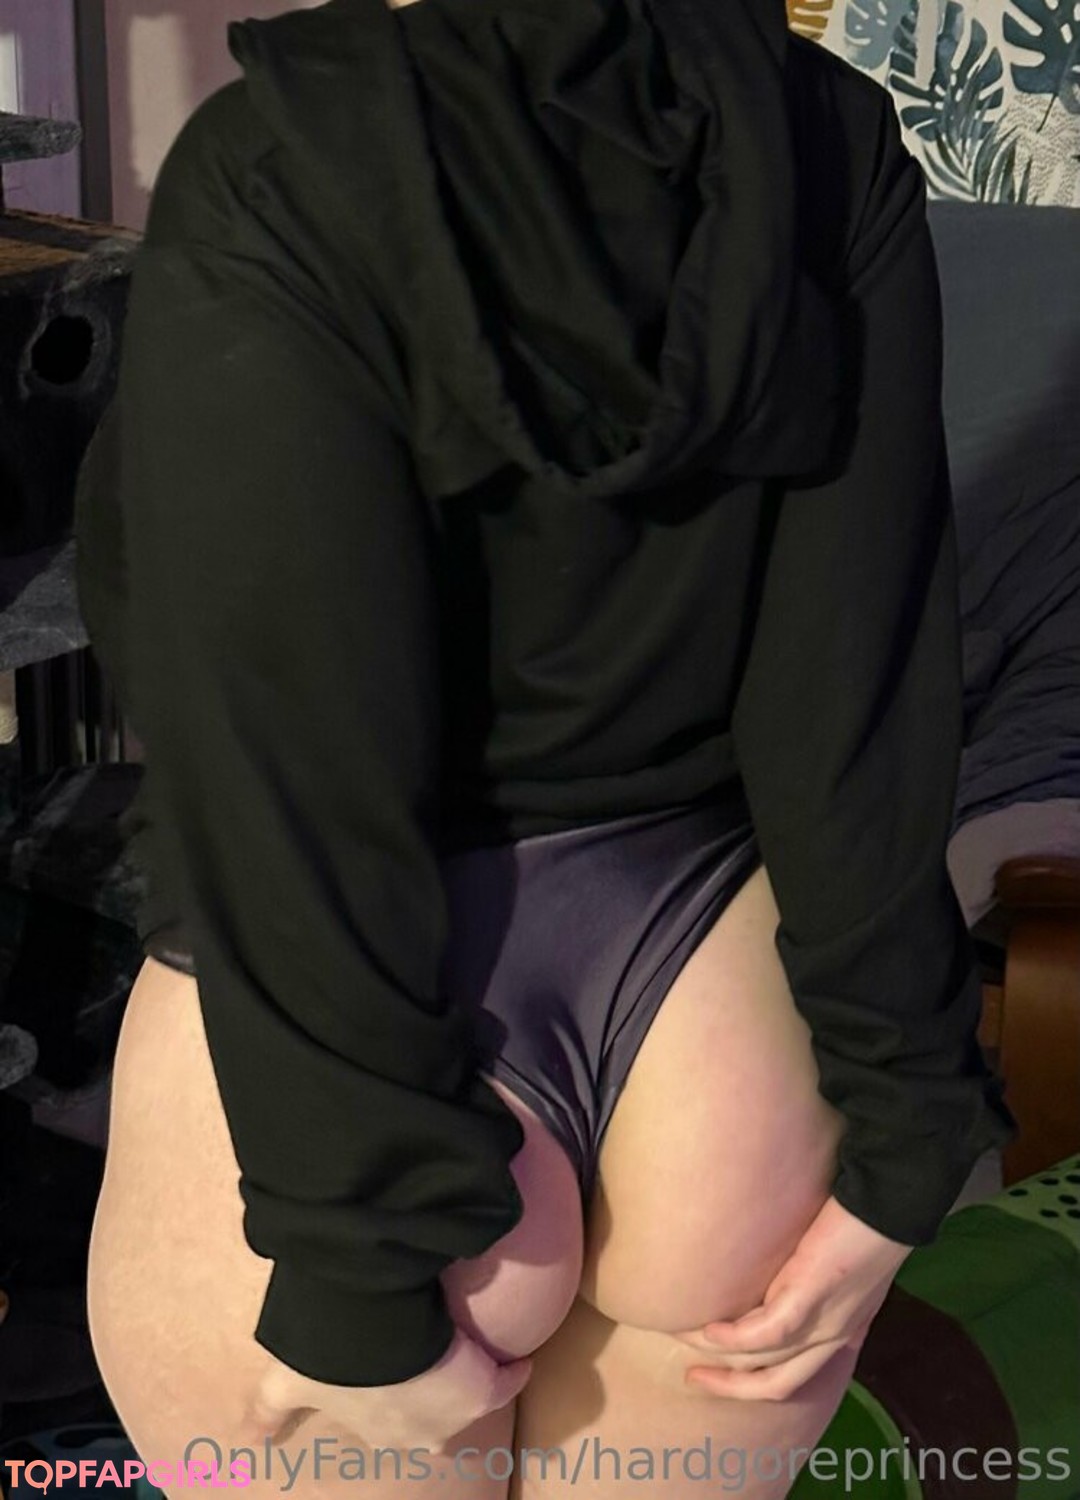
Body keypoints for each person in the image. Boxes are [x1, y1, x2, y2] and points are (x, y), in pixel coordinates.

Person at [73, 0, 1017, 1493]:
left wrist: (358, 1265)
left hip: (355, 1060)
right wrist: (908, 1119)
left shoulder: (273, 165)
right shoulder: (827, 138)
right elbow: (858, 676)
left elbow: (279, 746)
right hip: (712, 1034)